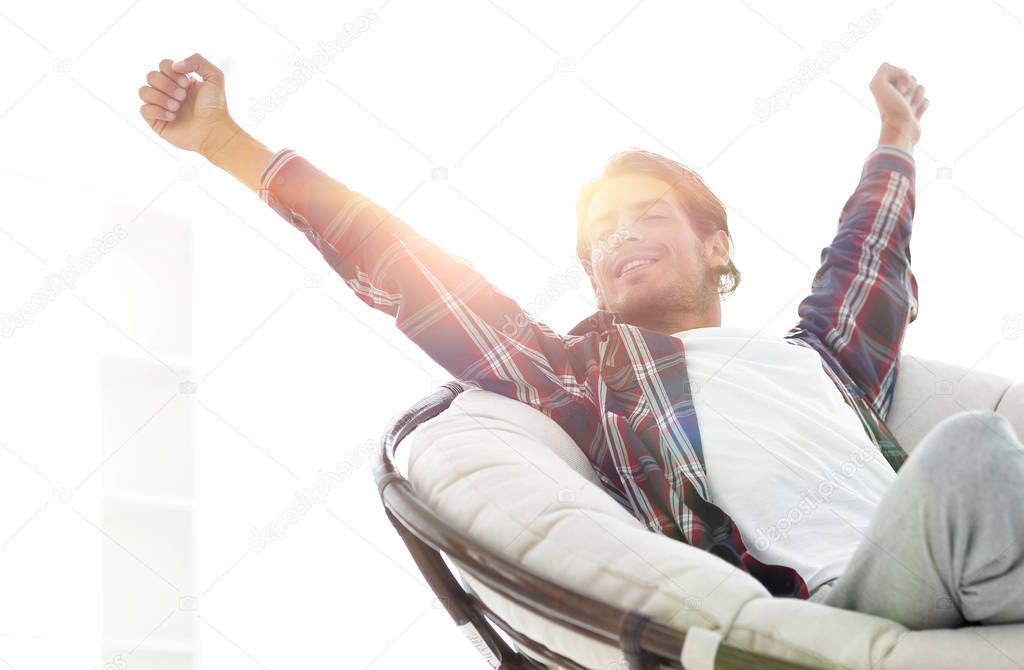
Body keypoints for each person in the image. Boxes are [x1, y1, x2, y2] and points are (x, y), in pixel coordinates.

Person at [137, 54, 1024, 629]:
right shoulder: (589, 376)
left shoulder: (821, 355)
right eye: (601, 235)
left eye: (646, 217)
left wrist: (897, 135)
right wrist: (224, 141)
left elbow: (868, 252)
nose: (619, 238)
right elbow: (409, 267)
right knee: (974, 452)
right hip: (844, 600)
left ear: (716, 247)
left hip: (961, 558)